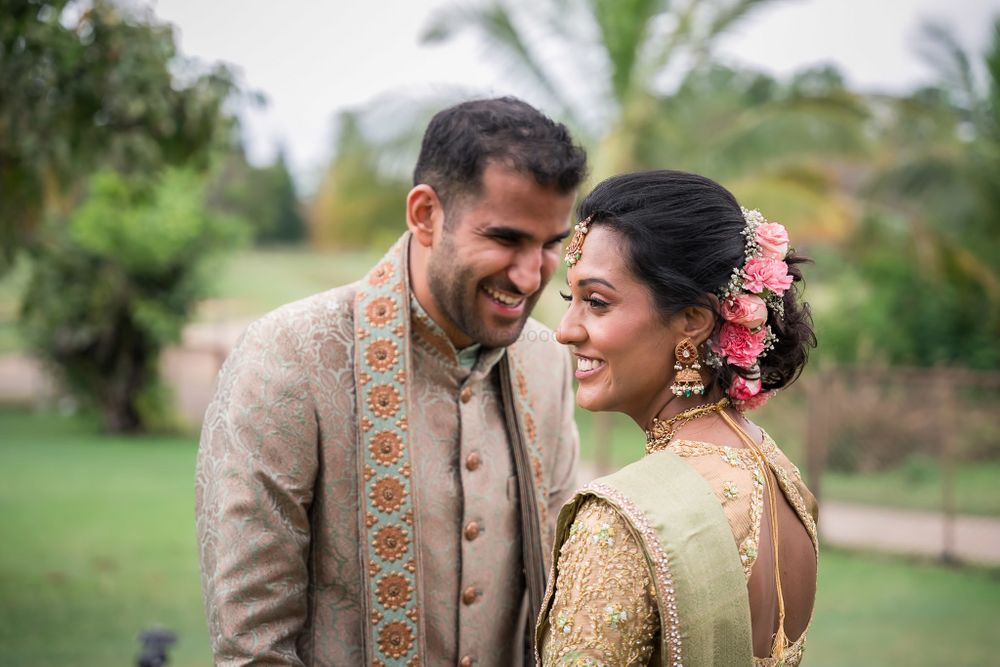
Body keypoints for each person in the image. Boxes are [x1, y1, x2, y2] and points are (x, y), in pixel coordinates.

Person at [196, 97, 587, 666]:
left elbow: (562, 589)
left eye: (551, 243)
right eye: (506, 238)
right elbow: (253, 646)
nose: (531, 276)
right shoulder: (291, 355)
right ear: (426, 214)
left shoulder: (546, 362)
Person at [537, 170, 819, 666]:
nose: (565, 330)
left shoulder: (622, 522)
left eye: (596, 302)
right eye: (570, 299)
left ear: (692, 321)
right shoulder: (783, 479)